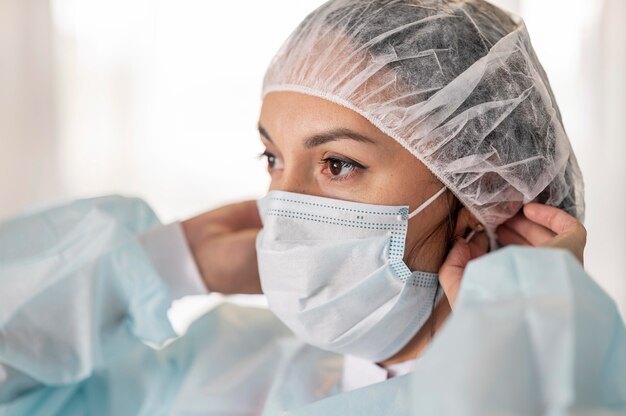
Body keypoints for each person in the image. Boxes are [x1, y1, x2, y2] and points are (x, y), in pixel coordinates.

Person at [1, 0, 624, 414]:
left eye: (336, 164)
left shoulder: (551, 381)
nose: (283, 207)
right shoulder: (220, 371)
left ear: (477, 196)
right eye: (272, 159)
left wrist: (523, 324)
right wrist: (158, 265)